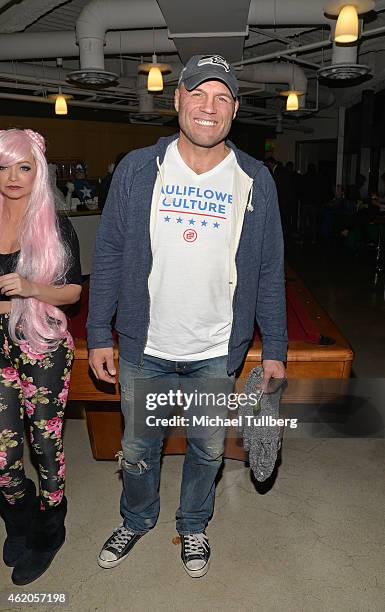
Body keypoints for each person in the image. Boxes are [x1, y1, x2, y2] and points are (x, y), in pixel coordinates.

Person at [88, 54, 287, 578]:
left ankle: (194, 524)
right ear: (177, 99)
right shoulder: (138, 168)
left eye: (221, 97)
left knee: (206, 452)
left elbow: (269, 271)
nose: (208, 106)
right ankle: (137, 517)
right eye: (198, 93)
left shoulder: (253, 180)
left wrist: (278, 350)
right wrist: (97, 333)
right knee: (138, 449)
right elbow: (107, 252)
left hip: (215, 353)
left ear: (235, 110)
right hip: (144, 347)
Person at [0, 128, 82, 585]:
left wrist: (32, 288)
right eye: (3, 167)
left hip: (40, 339)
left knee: (45, 445)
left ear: (39, 171)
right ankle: (18, 517)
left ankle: (50, 529)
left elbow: (72, 290)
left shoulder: (54, 224)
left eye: (23, 167)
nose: (12, 176)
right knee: (3, 452)